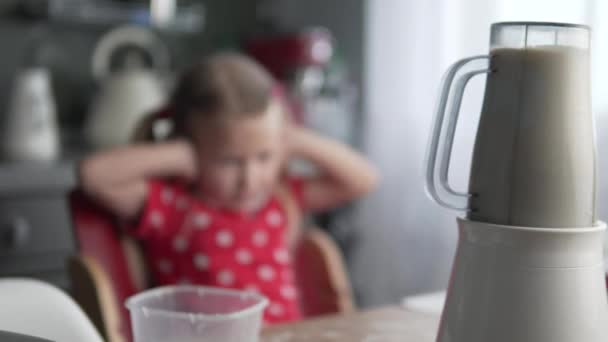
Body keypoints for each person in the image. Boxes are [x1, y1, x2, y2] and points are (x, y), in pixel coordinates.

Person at [79, 52, 378, 323]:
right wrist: (179, 154)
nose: (249, 178)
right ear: (193, 152)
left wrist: (293, 138)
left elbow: (364, 179)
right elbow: (93, 175)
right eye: (229, 162)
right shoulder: (171, 207)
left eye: (263, 157)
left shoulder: (281, 197)